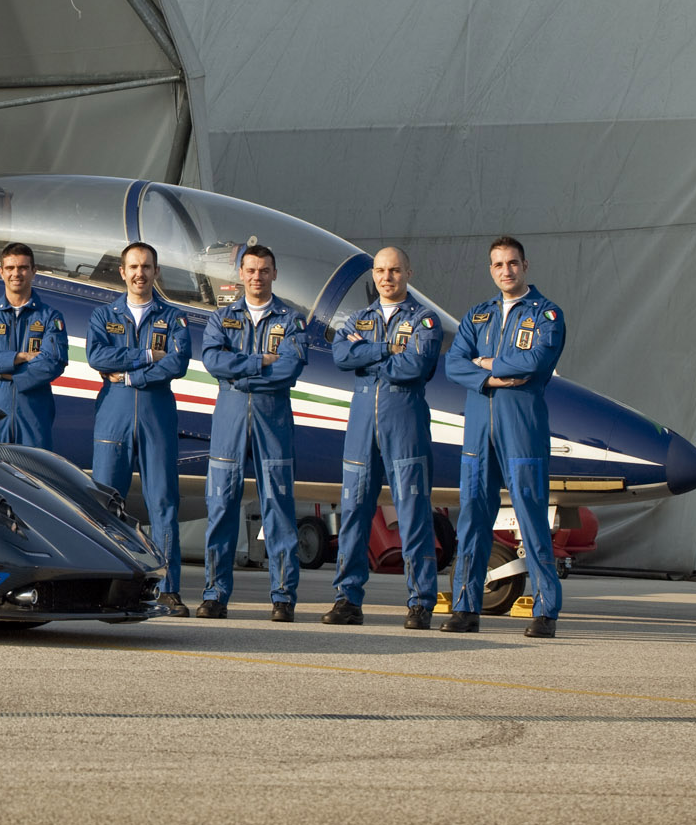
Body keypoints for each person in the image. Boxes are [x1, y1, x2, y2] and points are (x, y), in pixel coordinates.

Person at [444, 235, 567, 637]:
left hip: (522, 428)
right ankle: (465, 608)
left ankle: (546, 611)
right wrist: (494, 375)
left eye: (512, 263)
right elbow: (454, 363)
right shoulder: (478, 315)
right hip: (479, 430)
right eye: (498, 265)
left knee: (531, 517)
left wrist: (486, 363)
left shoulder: (546, 315)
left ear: (525, 266)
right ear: (490, 269)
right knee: (473, 519)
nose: (505, 271)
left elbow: (535, 361)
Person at [324, 246, 443, 628]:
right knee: (354, 511)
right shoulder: (358, 318)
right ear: (372, 275)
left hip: (404, 419)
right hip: (361, 423)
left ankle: (421, 601)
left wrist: (368, 355)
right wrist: (385, 348)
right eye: (379, 271)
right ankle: (347, 599)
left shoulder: (425, 320)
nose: (386, 277)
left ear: (408, 272)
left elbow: (416, 364)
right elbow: (341, 355)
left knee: (412, 513)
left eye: (394, 270)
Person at [197, 244, 311, 620]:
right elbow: (214, 361)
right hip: (229, 417)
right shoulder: (221, 318)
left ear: (274, 274)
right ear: (240, 274)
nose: (257, 277)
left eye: (264, 270)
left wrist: (241, 371)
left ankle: (283, 597)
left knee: (278, 506)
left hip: (273, 417)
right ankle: (214, 594)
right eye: (250, 270)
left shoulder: (290, 321)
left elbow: (290, 369)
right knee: (221, 506)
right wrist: (260, 361)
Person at [87, 241, 192, 617]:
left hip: (155, 410)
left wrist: (130, 377)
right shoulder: (104, 316)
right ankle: (104, 585)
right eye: (133, 267)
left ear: (156, 271)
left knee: (163, 501)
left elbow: (178, 363)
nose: (139, 273)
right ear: (122, 271)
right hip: (113, 413)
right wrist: (148, 355)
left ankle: (168, 589)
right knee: (105, 502)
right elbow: (96, 356)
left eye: (146, 267)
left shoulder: (173, 317)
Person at [0, 242, 67, 448]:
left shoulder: (50, 317)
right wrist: (20, 357)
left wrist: (5, 372)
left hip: (33, 409)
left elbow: (53, 363)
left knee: (35, 473)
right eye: (10, 268)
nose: (16, 274)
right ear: (1, 272)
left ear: (33, 271)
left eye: (22, 268)